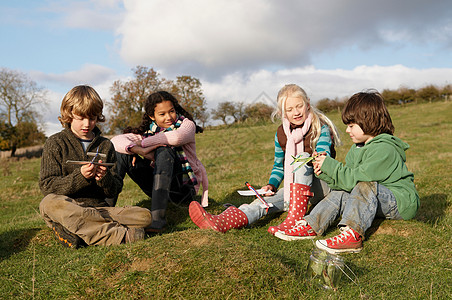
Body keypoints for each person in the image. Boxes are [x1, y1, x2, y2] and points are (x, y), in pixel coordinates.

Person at [274, 90, 420, 254]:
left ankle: (352, 234)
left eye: (351, 126)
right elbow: (345, 184)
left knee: (364, 185)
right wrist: (324, 172)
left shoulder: (384, 149)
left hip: (399, 202)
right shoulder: (356, 149)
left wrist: (331, 165)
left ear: (368, 121)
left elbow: (357, 179)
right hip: (373, 198)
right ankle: (312, 225)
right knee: (341, 193)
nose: (348, 131)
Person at [189, 84, 341, 233]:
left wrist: (319, 157)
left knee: (301, 158)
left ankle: (294, 220)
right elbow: (279, 166)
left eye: (299, 106)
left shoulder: (320, 128)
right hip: (294, 190)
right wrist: (271, 185)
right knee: (263, 203)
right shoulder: (281, 133)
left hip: (322, 185)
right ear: (283, 112)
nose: (296, 112)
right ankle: (222, 221)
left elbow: (323, 152)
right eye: (290, 109)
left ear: (307, 104)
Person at [39, 85, 152, 248]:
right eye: (81, 118)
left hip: (99, 209)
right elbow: (47, 186)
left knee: (145, 216)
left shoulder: (106, 145)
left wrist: (104, 178)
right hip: (67, 206)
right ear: (69, 114)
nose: (87, 124)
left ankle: (75, 229)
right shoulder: (55, 143)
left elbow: (114, 190)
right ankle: (120, 235)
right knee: (48, 203)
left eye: (92, 118)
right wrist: (80, 177)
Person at [111, 91, 208, 233]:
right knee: (122, 154)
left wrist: (144, 144)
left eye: (172, 111)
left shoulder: (186, 125)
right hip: (158, 185)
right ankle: (105, 211)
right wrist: (137, 150)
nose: (169, 117)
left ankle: (158, 220)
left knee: (164, 148)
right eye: (162, 114)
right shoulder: (149, 131)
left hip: (183, 189)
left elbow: (174, 138)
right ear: (152, 116)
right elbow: (114, 141)